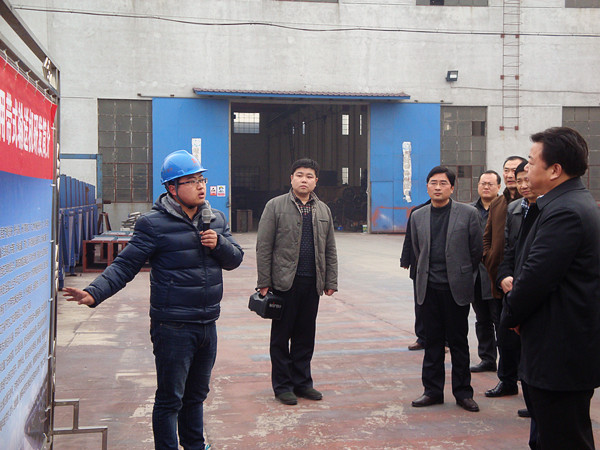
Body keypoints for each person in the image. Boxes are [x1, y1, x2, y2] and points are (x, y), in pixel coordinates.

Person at [63, 149, 244, 450]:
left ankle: (195, 445)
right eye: (191, 181)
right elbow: (125, 265)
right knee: (170, 399)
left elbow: (235, 259)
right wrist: (94, 292)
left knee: (196, 395)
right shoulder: (153, 224)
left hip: (207, 323)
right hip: (172, 326)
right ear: (172, 188)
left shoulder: (215, 220)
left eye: (202, 179)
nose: (201, 186)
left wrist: (219, 244)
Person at [501, 127, 600, 449]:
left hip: (559, 353)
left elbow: (535, 278)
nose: (526, 169)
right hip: (555, 346)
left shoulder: (566, 211)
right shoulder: (563, 203)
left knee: (563, 439)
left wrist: (511, 315)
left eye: (531, 162)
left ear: (555, 170)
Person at [256, 158, 338, 406]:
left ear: (316, 181)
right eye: (300, 175)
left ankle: (302, 383)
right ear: (291, 178)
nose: (304, 180)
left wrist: (330, 280)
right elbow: (264, 246)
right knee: (281, 337)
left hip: (312, 283)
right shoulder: (275, 206)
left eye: (309, 176)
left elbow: (330, 248)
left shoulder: (323, 210)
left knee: (305, 336)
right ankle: (283, 386)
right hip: (284, 283)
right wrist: (264, 281)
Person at [410, 166, 482, 412]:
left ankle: (463, 393)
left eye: (443, 183)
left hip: (455, 290)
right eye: (433, 183)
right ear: (427, 186)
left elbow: (476, 251)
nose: (438, 187)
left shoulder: (468, 214)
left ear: (452, 187)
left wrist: (461, 274)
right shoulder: (418, 216)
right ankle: (432, 391)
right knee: (432, 343)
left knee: (459, 342)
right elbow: (418, 250)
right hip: (429, 288)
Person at [475, 157, 527, 392]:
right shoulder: (499, 203)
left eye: (515, 171)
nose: (510, 175)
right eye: (506, 170)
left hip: (523, 279)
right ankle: (507, 380)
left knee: (522, 334)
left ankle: (523, 378)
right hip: (498, 279)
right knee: (503, 332)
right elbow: (487, 237)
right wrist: (489, 259)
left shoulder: (530, 203)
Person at [469, 171, 501, 372]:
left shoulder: (506, 209)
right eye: (483, 183)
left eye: (490, 184)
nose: (486, 187)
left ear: (499, 187)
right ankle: (487, 358)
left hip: (496, 275)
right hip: (475, 276)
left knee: (500, 320)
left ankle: (509, 363)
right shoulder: (469, 211)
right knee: (482, 320)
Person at [400, 200, 430, 351]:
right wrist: (405, 259)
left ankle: (444, 341)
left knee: (443, 306)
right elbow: (409, 237)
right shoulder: (417, 212)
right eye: (433, 186)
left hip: (445, 269)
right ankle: (422, 338)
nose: (438, 189)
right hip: (419, 267)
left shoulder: (456, 213)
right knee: (420, 303)